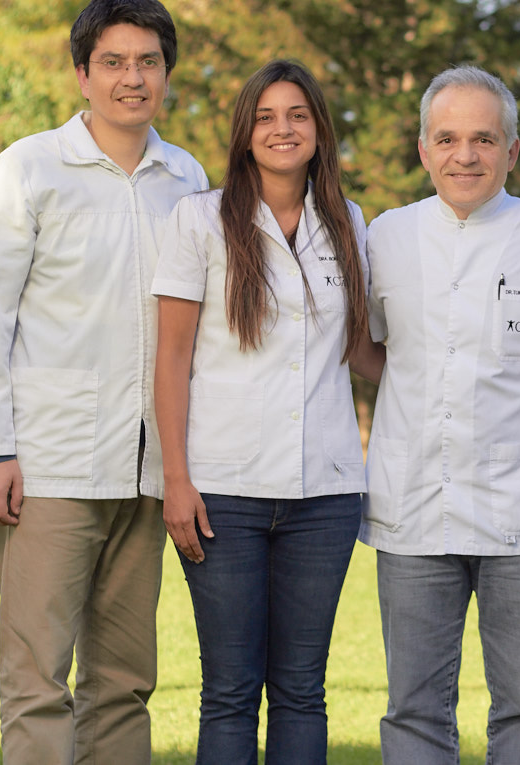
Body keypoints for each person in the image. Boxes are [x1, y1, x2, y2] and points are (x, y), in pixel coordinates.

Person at [0, 0, 207, 764]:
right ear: (82, 74)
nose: (133, 78)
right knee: (36, 677)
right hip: (49, 467)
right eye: (114, 62)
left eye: (148, 62)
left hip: (148, 472)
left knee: (125, 681)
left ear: (167, 73)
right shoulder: (30, 168)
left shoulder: (186, 176)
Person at [152, 59, 380, 763]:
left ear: (319, 129)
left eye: (298, 115)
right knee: (229, 690)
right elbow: (171, 357)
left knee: (302, 689)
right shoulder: (199, 218)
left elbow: (362, 351)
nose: (283, 129)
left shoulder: (348, 222)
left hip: (326, 494)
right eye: (266, 117)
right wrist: (176, 480)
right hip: (224, 492)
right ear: (245, 133)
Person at [361, 65, 520, 765]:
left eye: (484, 138)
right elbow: (363, 345)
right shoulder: (385, 237)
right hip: (413, 507)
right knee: (414, 707)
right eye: (448, 139)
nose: (465, 155)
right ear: (423, 149)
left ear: (511, 150)